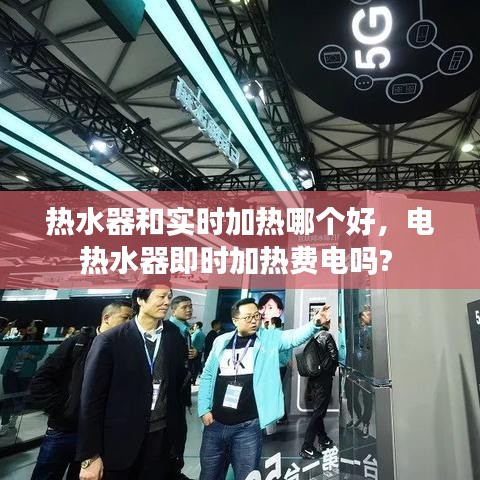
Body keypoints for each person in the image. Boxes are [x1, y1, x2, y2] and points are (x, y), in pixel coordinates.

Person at [198, 298, 331, 480]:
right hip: (215, 424)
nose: (254, 320)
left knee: (247, 476)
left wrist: (315, 323)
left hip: (248, 427)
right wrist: (204, 408)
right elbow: (207, 375)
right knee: (209, 475)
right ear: (235, 320)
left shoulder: (269, 338)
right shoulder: (221, 341)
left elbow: (293, 337)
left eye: (256, 316)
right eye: (248, 317)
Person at [77, 284, 188, 480]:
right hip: (119, 443)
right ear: (140, 300)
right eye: (161, 296)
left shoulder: (174, 336)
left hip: (161, 440)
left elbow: (177, 387)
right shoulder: (111, 340)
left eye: (169, 297)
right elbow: (91, 400)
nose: (167, 302)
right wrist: (90, 455)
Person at [29, 302, 132, 480]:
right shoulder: (78, 342)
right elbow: (41, 379)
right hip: (63, 431)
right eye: (125, 318)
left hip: (96, 436)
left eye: (131, 318)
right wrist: (65, 408)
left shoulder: (124, 350)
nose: (129, 323)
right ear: (106, 318)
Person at [299, 307, 339, 459]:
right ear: (326, 322)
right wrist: (331, 370)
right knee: (318, 412)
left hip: (314, 377)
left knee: (318, 410)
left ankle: (323, 438)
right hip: (324, 378)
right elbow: (334, 356)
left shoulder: (313, 335)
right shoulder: (326, 335)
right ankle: (307, 447)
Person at [0, 319, 48, 436]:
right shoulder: (18, 339)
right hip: (10, 373)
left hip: (25, 375)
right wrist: (7, 328)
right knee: (7, 399)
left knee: (19, 399)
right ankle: (5, 424)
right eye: (29, 325)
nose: (29, 327)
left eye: (33, 325)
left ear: (39, 329)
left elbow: (39, 357)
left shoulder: (42, 343)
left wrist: (29, 355)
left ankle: (14, 417)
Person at [168, 295, 196, 480]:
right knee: (173, 433)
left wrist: (193, 353)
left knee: (180, 431)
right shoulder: (170, 330)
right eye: (185, 307)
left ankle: (175, 471)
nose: (189, 309)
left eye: (190, 306)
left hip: (182, 387)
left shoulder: (184, 329)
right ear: (174, 309)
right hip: (171, 389)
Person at [346, 307, 373, 438]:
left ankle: (366, 423)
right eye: (361, 317)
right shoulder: (356, 333)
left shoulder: (373, 333)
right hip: (355, 369)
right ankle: (359, 417)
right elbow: (351, 350)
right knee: (351, 395)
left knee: (367, 398)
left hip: (367, 371)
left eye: (365, 316)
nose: (361, 319)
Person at [269, 316, 292, 425]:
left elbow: (279, 352)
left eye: (270, 323)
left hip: (277, 366)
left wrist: (286, 360)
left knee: (276, 391)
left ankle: (280, 416)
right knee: (277, 391)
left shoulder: (274, 336)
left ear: (273, 324)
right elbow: (289, 349)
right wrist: (288, 360)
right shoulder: (284, 334)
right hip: (281, 366)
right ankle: (282, 416)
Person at [191, 321, 206, 385]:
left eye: (194, 326)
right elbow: (204, 344)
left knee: (191, 367)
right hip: (200, 352)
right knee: (196, 367)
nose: (193, 327)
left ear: (197, 326)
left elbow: (191, 342)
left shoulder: (195, 333)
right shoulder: (203, 334)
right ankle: (194, 380)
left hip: (193, 352)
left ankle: (191, 379)